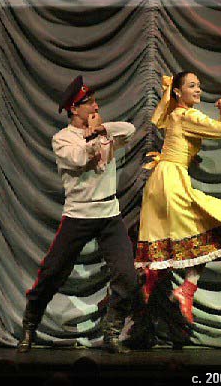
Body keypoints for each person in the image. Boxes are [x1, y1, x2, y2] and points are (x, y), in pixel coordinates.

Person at [135, 72, 221, 324]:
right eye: (191, 86)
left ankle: (168, 293)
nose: (198, 90)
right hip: (170, 181)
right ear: (177, 92)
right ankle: (179, 291)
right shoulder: (186, 115)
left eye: (198, 85)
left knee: (183, 242)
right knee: (208, 229)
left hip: (161, 180)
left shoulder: (176, 115)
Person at [18, 76, 140, 353]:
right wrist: (94, 136)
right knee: (52, 273)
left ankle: (111, 334)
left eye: (95, 101)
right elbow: (79, 158)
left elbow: (130, 130)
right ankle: (30, 326)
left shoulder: (103, 131)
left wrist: (101, 129)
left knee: (127, 277)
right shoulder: (62, 139)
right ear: (75, 109)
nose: (96, 106)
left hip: (109, 214)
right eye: (89, 103)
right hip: (79, 216)